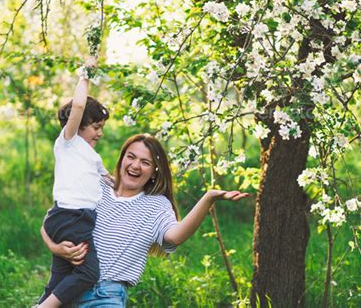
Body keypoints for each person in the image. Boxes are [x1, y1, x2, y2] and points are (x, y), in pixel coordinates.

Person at [41, 134, 249, 307]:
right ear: (122, 159)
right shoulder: (96, 186)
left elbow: (175, 236)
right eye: (131, 157)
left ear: (154, 171)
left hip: (104, 296)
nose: (135, 165)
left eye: (145, 162)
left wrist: (208, 197)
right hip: (63, 289)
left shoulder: (156, 206)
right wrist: (55, 247)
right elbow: (52, 221)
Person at [38, 57, 111, 308]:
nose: (100, 133)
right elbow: (79, 105)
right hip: (72, 217)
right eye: (96, 127)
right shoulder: (68, 142)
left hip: (71, 217)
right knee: (89, 273)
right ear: (79, 125)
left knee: (60, 277)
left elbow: (107, 179)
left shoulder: (92, 155)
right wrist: (86, 73)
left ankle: (42, 303)